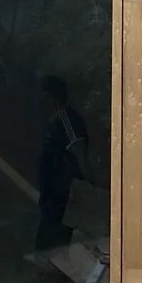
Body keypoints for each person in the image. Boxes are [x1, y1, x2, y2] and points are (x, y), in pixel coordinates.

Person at [33, 75, 89, 252]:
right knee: (46, 245)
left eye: (44, 95)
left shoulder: (67, 119)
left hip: (64, 197)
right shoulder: (52, 121)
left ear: (52, 97)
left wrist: (85, 188)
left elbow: (79, 150)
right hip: (51, 197)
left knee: (54, 246)